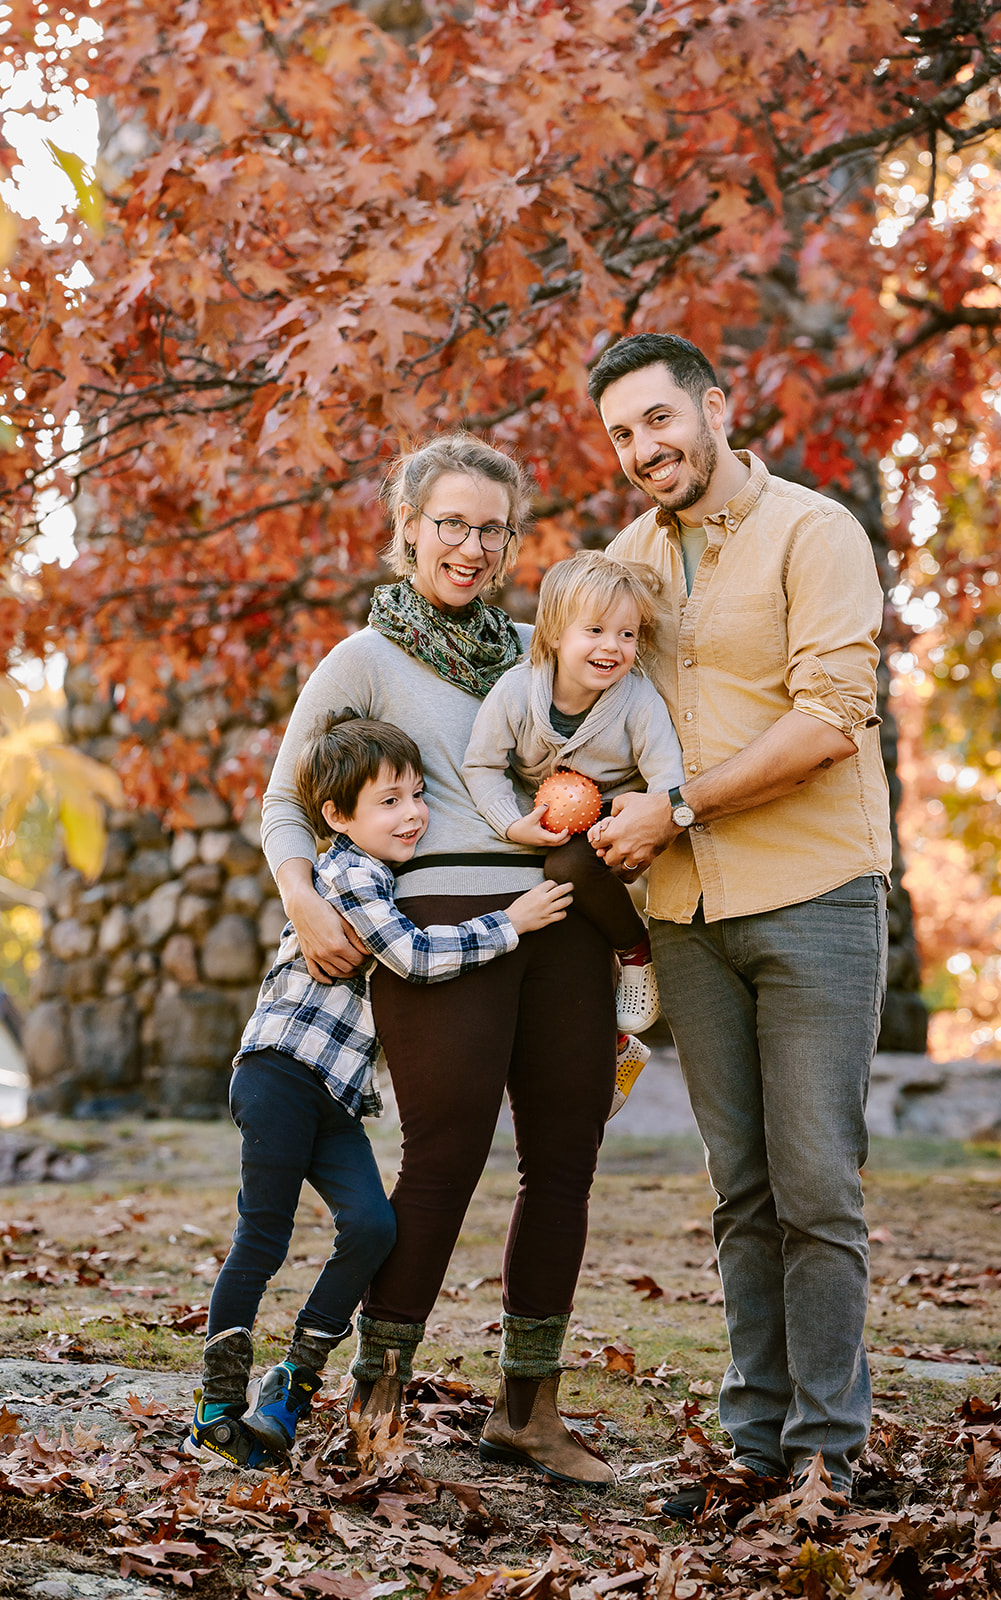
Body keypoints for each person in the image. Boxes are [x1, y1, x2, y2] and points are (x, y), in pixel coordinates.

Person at [259, 432, 617, 1489]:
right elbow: (285, 800)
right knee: (444, 1160)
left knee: (563, 1165)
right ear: (407, 527)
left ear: (512, 541)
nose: (469, 545)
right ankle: (377, 1399)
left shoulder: (533, 651)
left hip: (559, 918)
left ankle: (528, 1412)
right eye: (449, 523)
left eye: (490, 528)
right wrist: (305, 900)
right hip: (434, 928)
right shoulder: (361, 659)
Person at [585, 332, 891, 1507]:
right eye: (621, 433)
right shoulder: (626, 559)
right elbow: (586, 698)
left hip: (812, 893)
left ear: (715, 406)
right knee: (740, 1189)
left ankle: (826, 1448)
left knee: (815, 1181)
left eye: (659, 419)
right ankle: (755, 1442)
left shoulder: (813, 534)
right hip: (684, 912)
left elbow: (827, 718)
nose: (643, 448)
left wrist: (670, 807)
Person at [186, 715, 571, 1470]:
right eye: (390, 801)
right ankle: (216, 1403)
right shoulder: (351, 874)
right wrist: (512, 922)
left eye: (418, 795)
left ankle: (293, 1382)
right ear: (337, 817)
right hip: (279, 1073)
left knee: (369, 1227)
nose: (413, 813)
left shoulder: (388, 876)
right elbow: (414, 959)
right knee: (262, 1236)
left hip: (333, 1095)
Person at [463, 548, 685, 1113]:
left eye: (627, 634)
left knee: (567, 868)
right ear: (555, 633)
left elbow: (668, 781)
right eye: (595, 630)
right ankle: (613, 1051)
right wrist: (513, 825)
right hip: (541, 820)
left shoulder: (637, 700)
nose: (613, 647)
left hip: (612, 821)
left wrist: (642, 821)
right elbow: (482, 765)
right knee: (542, 911)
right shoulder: (516, 693)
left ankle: (639, 954)